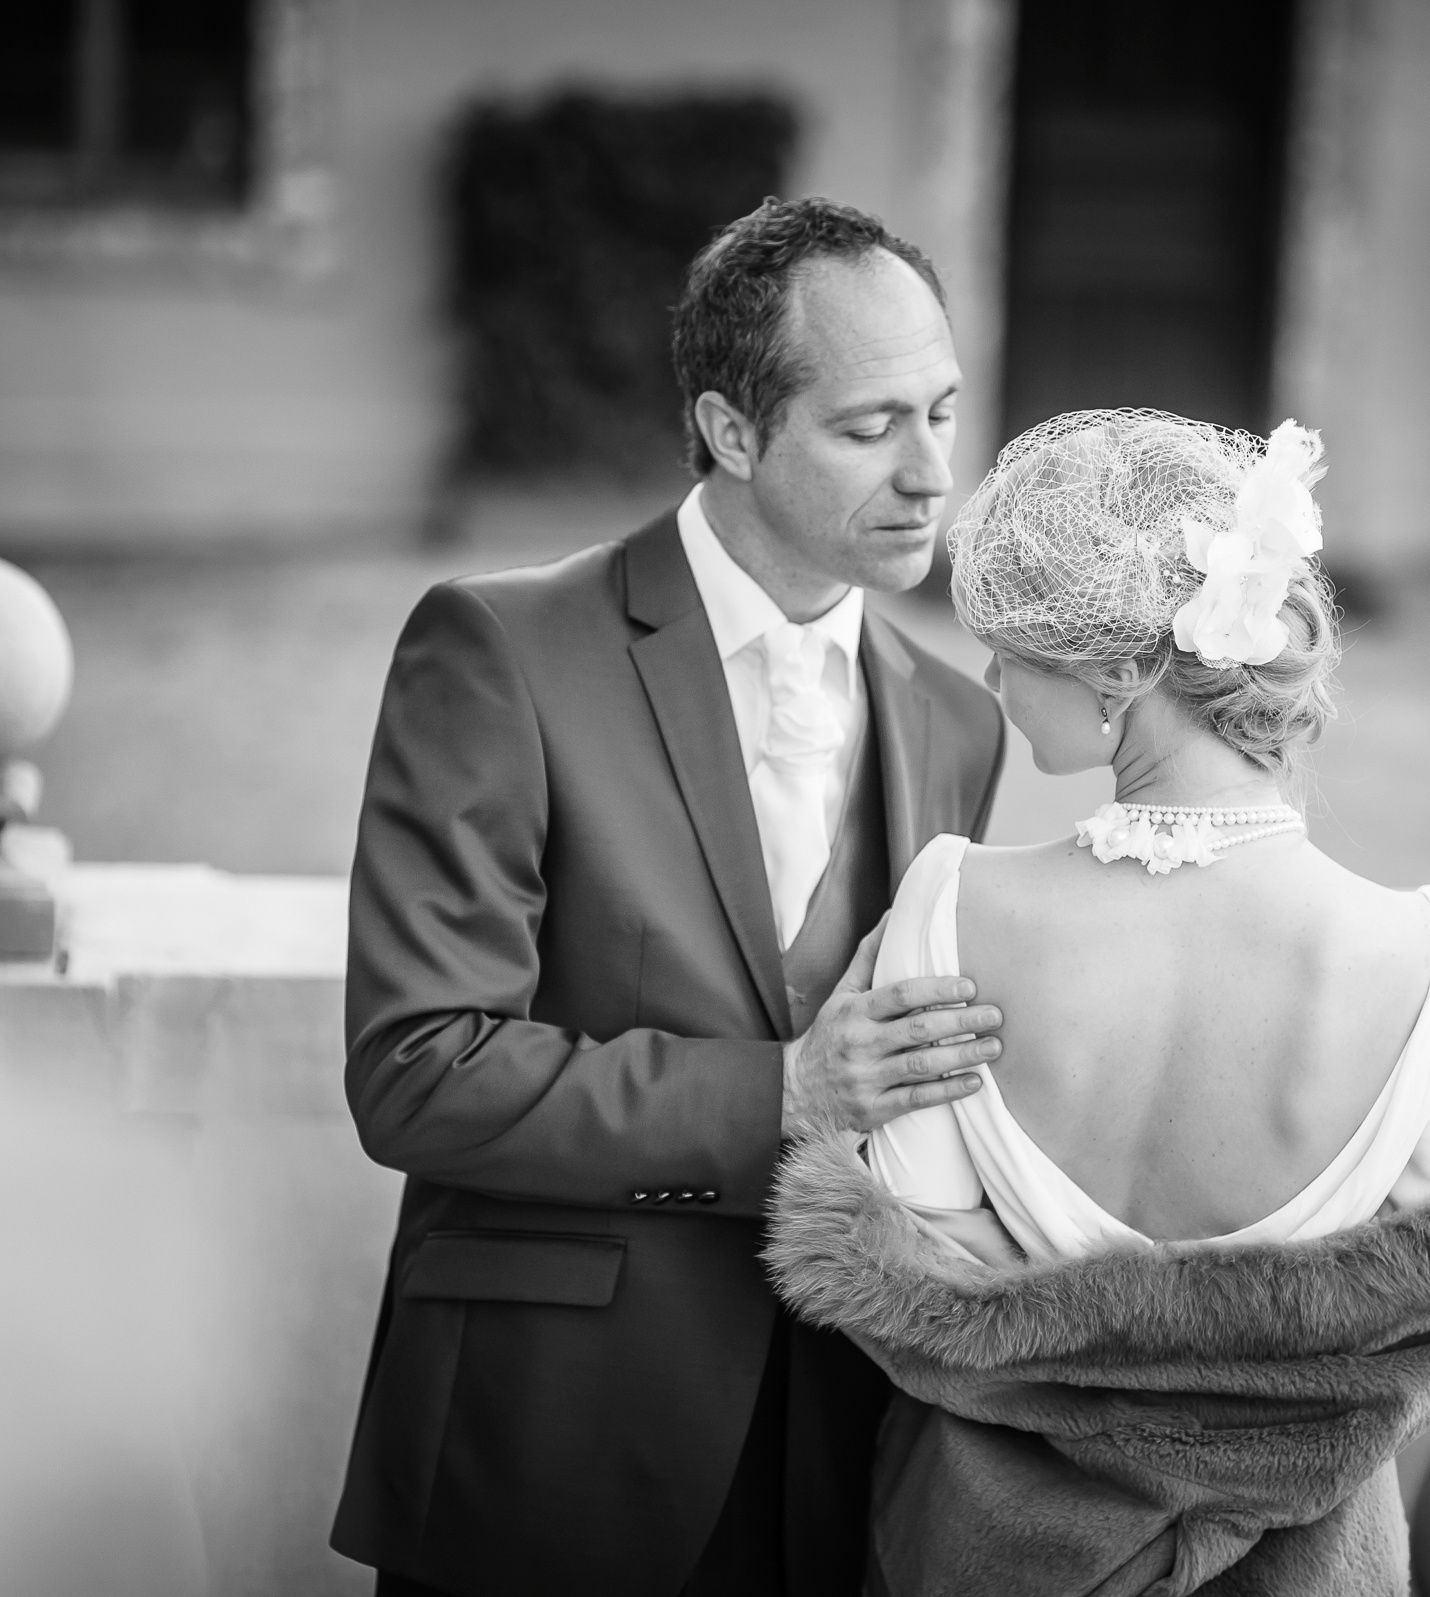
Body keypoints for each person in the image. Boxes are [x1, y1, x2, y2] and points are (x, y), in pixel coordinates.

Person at [761, 410, 1430, 1595]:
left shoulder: (951, 904)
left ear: (1124, 669)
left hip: (994, 1553)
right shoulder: (1424, 948)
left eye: (1017, 648)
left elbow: (924, 1264)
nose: (993, 678)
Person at [328, 197, 1008, 1597]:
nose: (932, 472)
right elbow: (416, 1071)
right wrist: (780, 1094)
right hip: (551, 1448)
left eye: (943, 411)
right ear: (733, 430)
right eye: (871, 425)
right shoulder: (501, 649)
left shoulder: (958, 721)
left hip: (845, 1460)